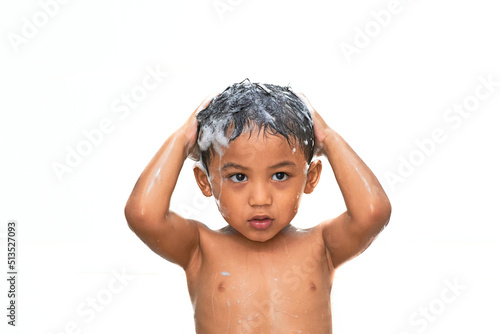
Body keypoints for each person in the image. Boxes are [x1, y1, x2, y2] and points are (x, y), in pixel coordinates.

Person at [124, 79, 392, 333]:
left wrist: (329, 138)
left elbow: (373, 212)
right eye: (238, 177)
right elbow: (144, 214)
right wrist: (183, 138)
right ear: (206, 183)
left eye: (280, 176)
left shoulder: (321, 246)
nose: (260, 199)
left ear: (310, 178)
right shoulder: (200, 249)